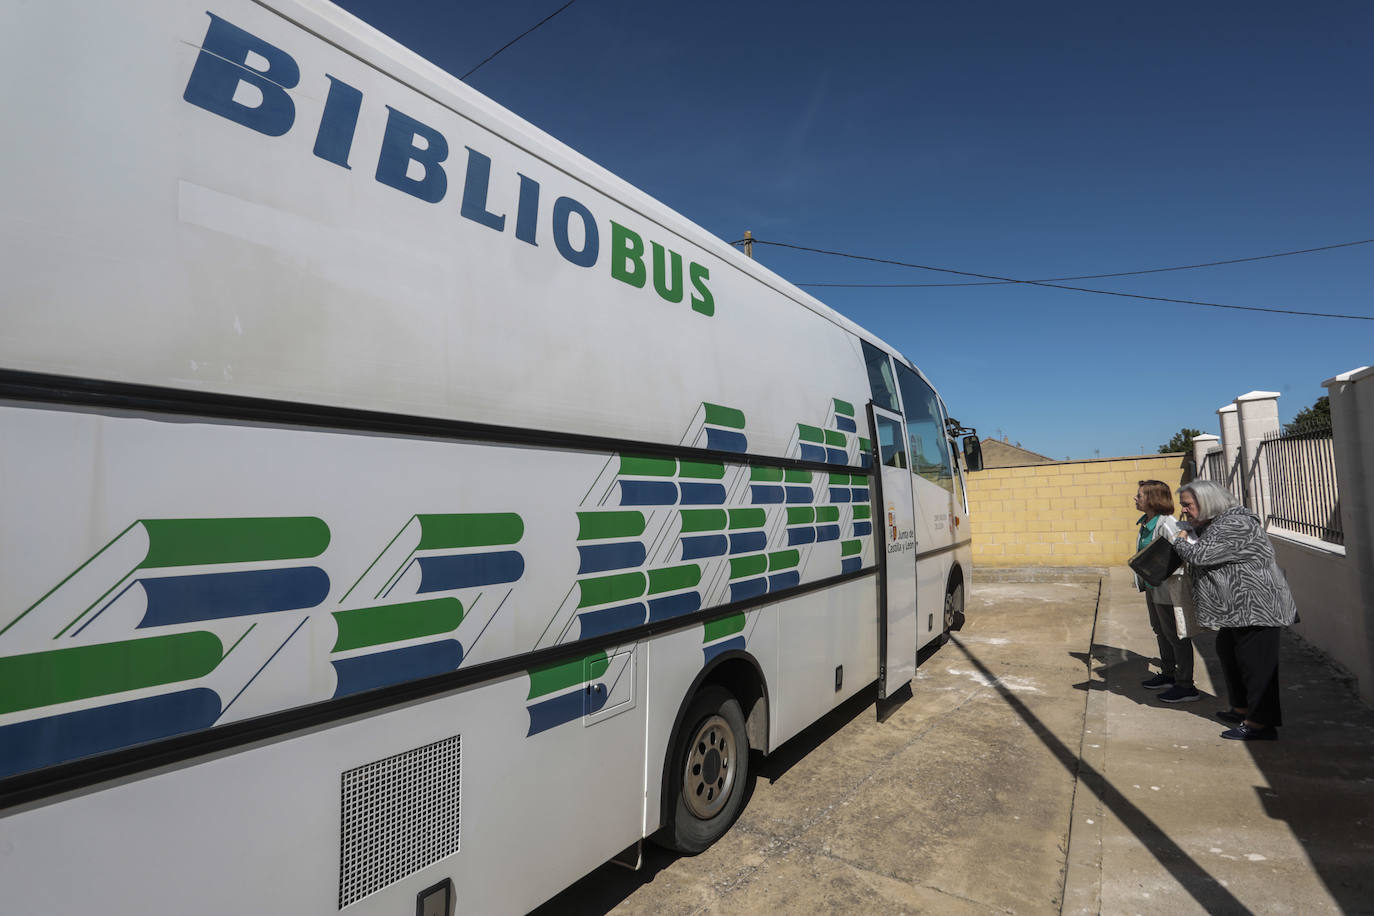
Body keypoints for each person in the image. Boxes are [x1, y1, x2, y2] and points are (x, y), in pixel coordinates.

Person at [1167, 480, 1298, 741]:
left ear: (1207, 503)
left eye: (1188, 505)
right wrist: (1189, 528)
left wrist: (1179, 537)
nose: (1184, 511)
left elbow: (1200, 555)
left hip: (1257, 606)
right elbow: (1200, 540)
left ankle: (1261, 723)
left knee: (1257, 666)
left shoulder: (1235, 523)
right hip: (1238, 609)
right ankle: (1241, 708)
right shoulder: (1215, 524)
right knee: (1228, 651)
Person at [1132, 480, 1198, 703]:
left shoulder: (1168, 523)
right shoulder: (1146, 522)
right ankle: (1169, 674)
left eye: (1139, 495)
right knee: (1160, 630)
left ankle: (1186, 684)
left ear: (1152, 498)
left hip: (1168, 588)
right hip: (1153, 587)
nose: (1135, 498)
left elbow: (1181, 551)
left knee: (1175, 635)